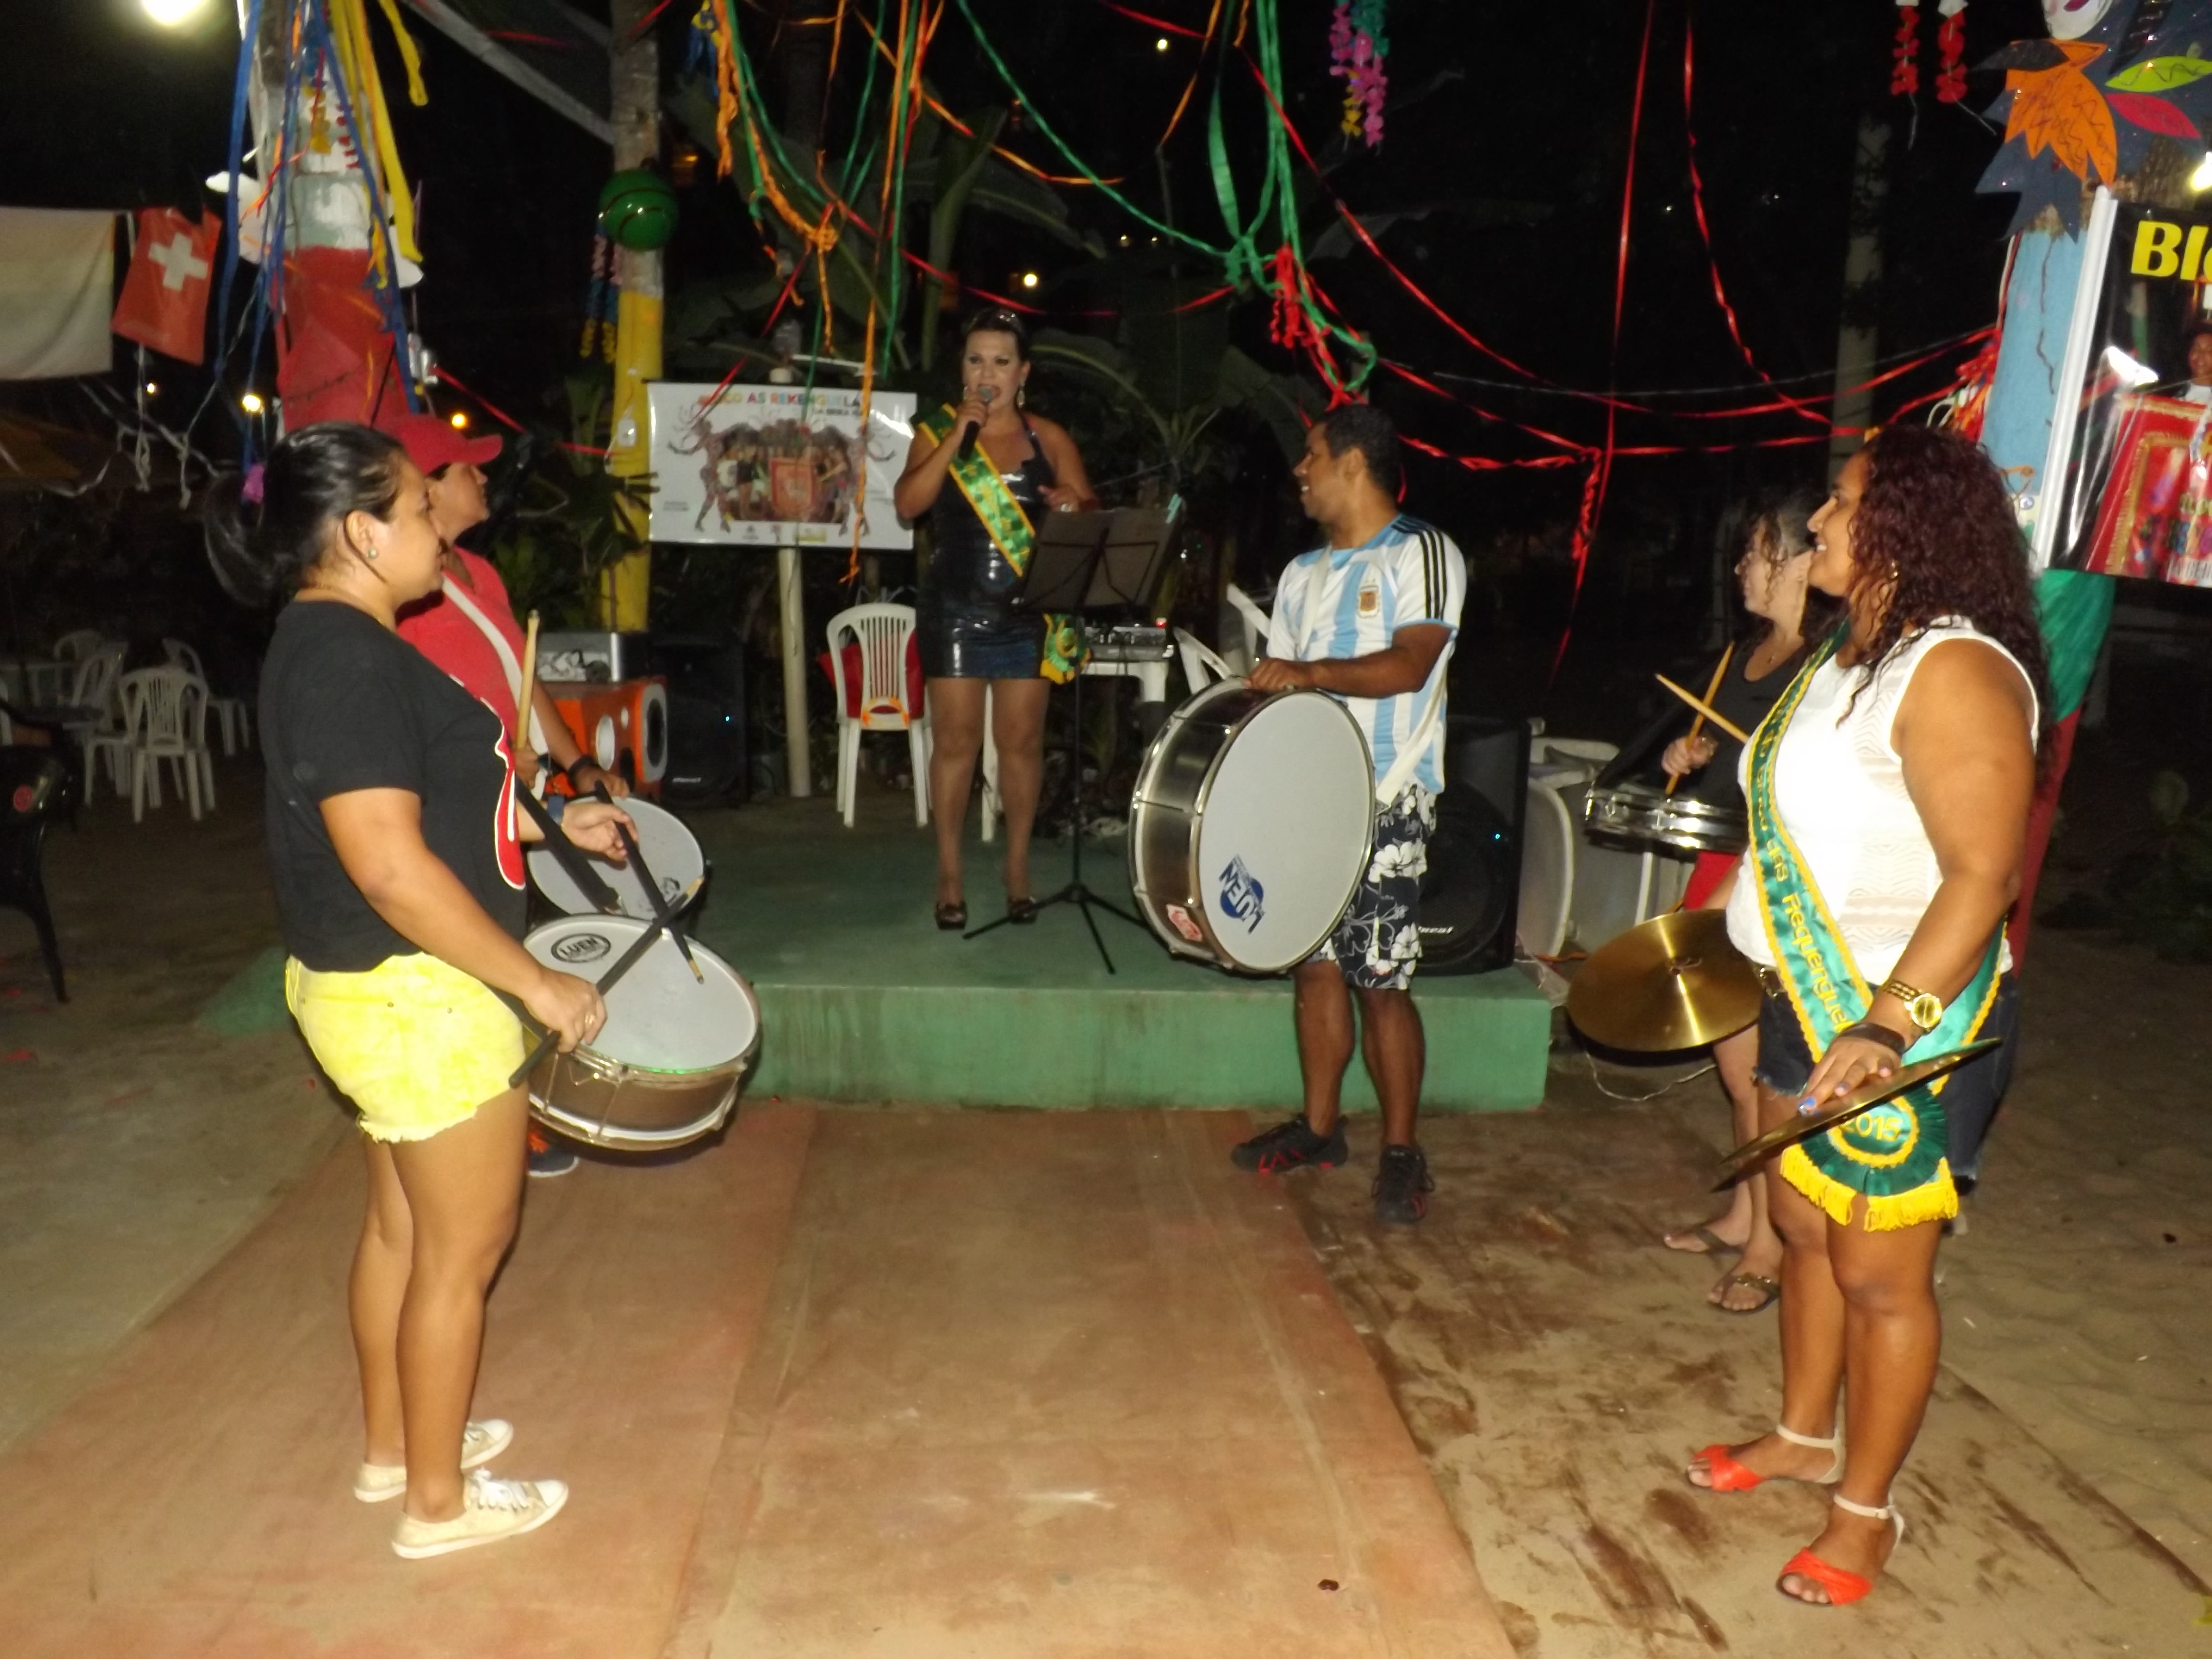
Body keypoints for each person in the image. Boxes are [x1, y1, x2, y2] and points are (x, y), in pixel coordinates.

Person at [205, 422, 637, 1559]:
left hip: (365, 989)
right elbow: (391, 868)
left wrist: (552, 829)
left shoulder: (325, 639)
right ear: (360, 533)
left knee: (401, 1230)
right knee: (464, 1252)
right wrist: (536, 983)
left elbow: (422, 814)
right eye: (413, 508)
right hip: (417, 999)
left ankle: (396, 1449)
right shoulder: (350, 659)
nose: (435, 526)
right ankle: (437, 1508)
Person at [1685, 424, 2043, 1608]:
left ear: (1907, 528)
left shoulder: (1955, 669)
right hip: (1801, 998)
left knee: (1879, 1274)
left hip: (1903, 1027)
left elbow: (1981, 876)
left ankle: (1863, 1512)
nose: (1820, 524)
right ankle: (1802, 1434)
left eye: (1841, 505)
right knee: (1799, 1230)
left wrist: (1887, 1024)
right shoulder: (1841, 658)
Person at [1226, 405, 1467, 1225]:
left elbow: (1411, 663)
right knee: (1316, 968)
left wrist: (1310, 672)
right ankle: (1320, 1129)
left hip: (1388, 793)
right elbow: (1286, 687)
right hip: (1312, 796)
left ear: (1355, 464)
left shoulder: (1422, 552)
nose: (1301, 470)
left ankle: (1402, 1152)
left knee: (1381, 981)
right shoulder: (1302, 574)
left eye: (1313, 455)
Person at [389, 413, 628, 1180]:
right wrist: (479, 756)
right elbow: (410, 717)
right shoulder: (402, 600)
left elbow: (526, 679)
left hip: (517, 793)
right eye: (468, 468)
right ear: (427, 489)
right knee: (483, 956)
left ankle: (533, 1103)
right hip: (459, 801)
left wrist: (577, 765)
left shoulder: (476, 574)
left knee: (527, 941)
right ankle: (501, 1123)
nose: (484, 477)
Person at [1658, 487, 1841, 1314]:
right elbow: (1730, 760)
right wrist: (1688, 754)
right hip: (1720, 864)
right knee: (1735, 1069)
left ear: (1801, 560)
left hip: (1768, 873)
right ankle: (1745, 1213)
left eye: (1757, 551)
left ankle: (1770, 1246)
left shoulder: (1824, 668)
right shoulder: (1747, 654)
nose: (1741, 567)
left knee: (1758, 1069)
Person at [896, 308, 1097, 931]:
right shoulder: (937, 431)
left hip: (1028, 612)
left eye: (1001, 362)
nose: (987, 374)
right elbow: (907, 505)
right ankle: (949, 874)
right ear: (963, 369)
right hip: (955, 609)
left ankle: (1016, 869)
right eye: (976, 360)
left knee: (1021, 744)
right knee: (955, 743)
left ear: (1023, 373)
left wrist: (1073, 504)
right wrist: (958, 437)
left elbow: (1088, 512)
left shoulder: (1049, 438)